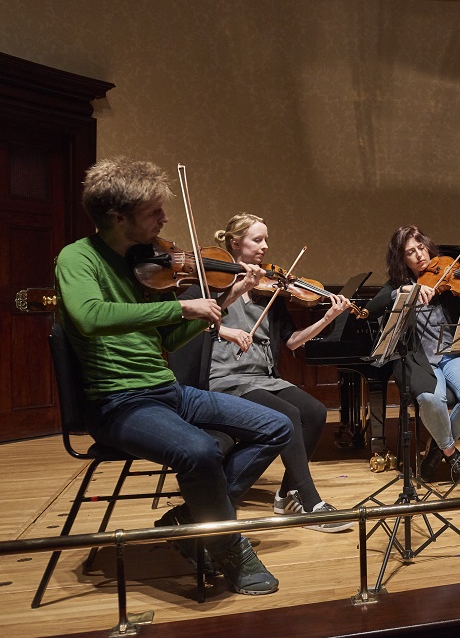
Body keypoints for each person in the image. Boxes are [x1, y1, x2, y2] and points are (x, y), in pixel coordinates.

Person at [54, 157, 292, 595]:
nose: (165, 220)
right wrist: (182, 306)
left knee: (277, 425)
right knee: (199, 450)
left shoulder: (143, 263)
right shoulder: (77, 258)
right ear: (117, 216)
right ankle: (227, 545)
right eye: (153, 212)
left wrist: (216, 303)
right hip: (117, 402)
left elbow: (169, 337)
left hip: (166, 390)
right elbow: (88, 317)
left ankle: (189, 520)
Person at [198, 213, 353, 532]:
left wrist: (328, 318)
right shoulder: (212, 281)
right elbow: (201, 321)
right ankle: (310, 502)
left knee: (316, 411)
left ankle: (287, 493)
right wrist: (239, 291)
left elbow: (293, 342)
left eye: (266, 239)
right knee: (288, 414)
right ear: (235, 242)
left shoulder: (272, 291)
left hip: (263, 378)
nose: (265, 246)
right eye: (257, 240)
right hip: (226, 379)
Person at [365, 225, 460, 485]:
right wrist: (403, 292)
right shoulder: (397, 286)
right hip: (418, 360)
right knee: (430, 398)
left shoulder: (447, 279)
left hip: (453, 354)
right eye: (410, 252)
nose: (419, 255)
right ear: (401, 259)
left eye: (421, 248)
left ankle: (436, 450)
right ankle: (451, 454)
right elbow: (372, 308)